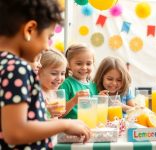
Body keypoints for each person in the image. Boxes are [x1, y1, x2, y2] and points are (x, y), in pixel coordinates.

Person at [0, 0, 91, 149]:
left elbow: (15, 125)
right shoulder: (17, 68)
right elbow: (15, 132)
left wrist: (58, 123)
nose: (47, 46)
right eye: (49, 37)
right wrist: (64, 124)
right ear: (29, 29)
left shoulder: (4, 64)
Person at [59, 43, 98, 119]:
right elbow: (60, 114)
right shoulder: (66, 84)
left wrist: (101, 98)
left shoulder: (93, 85)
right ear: (68, 64)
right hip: (71, 127)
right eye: (79, 63)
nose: (84, 67)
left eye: (88, 63)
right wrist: (74, 101)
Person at [39, 49, 67, 118]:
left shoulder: (53, 92)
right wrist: (47, 111)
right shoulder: (37, 93)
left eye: (62, 73)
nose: (59, 78)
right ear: (38, 72)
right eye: (54, 73)